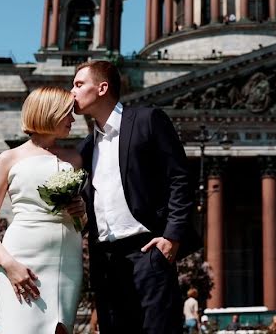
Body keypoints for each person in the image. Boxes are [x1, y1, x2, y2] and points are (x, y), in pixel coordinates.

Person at [73, 60, 199, 334]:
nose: (72, 91)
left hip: (148, 252)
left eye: (79, 84)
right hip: (105, 260)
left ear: (103, 88)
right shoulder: (84, 146)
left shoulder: (147, 120)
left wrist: (172, 237)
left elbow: (180, 177)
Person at [0, 87, 85, 334]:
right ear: (50, 113)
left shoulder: (75, 159)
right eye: (68, 113)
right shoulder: (8, 159)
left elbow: (83, 223)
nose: (73, 119)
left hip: (68, 260)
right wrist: (8, 264)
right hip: (23, 257)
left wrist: (81, 211)